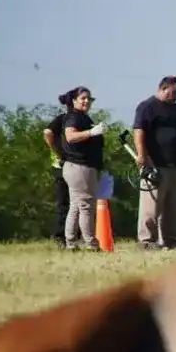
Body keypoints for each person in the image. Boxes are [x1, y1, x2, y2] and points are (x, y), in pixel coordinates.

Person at [132, 75, 176, 251]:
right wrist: (142, 155)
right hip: (155, 165)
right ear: (163, 88)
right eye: (174, 92)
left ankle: (171, 240)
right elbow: (139, 131)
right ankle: (147, 241)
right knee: (151, 206)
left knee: (173, 207)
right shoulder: (147, 107)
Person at [60, 86, 106, 251]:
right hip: (80, 167)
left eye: (89, 98)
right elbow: (70, 136)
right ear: (74, 101)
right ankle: (90, 243)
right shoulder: (74, 116)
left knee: (76, 206)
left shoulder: (83, 117)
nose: (87, 101)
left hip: (79, 167)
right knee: (86, 205)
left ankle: (71, 242)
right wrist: (91, 132)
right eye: (83, 98)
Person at [42, 91, 78, 249]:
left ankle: (72, 235)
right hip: (62, 165)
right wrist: (57, 150)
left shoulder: (76, 119)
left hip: (74, 164)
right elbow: (47, 132)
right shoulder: (64, 118)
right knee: (64, 202)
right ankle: (61, 237)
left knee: (74, 202)